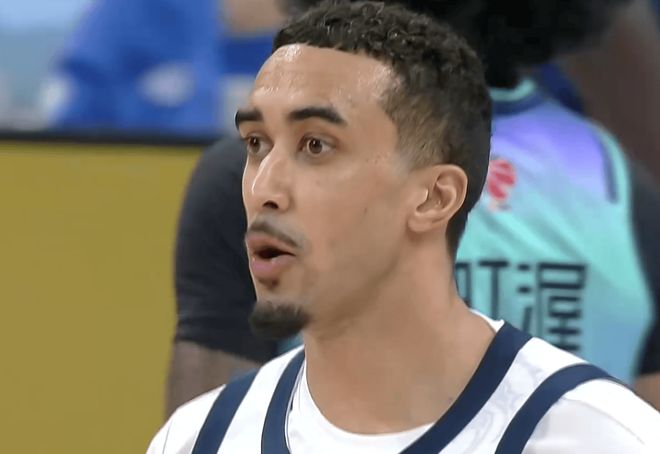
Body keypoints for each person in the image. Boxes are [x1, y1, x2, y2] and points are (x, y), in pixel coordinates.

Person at [150, 3, 660, 452]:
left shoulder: (238, 181)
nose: (267, 183)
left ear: (439, 196)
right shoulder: (621, 183)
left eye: (316, 147)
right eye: (256, 143)